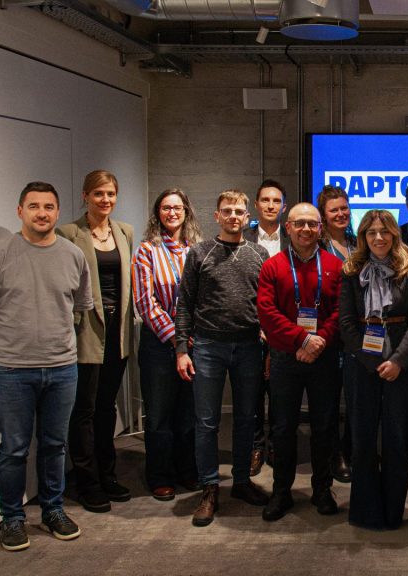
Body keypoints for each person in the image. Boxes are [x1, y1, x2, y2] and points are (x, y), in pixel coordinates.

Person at [0, 181, 93, 551]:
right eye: (34, 206)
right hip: (12, 372)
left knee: (54, 445)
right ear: (20, 211)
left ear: (57, 212)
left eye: (49, 207)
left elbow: (79, 306)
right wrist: (1, 346)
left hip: (62, 368)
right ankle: (12, 518)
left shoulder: (73, 255)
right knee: (14, 449)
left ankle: (53, 510)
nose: (42, 213)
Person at [175, 190, 270, 527]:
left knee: (246, 418)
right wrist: (181, 350)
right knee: (206, 422)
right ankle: (209, 488)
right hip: (208, 347)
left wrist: (267, 337)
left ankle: (241, 481)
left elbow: (266, 303)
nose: (233, 216)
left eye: (239, 211)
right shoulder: (200, 253)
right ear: (216, 216)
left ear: (247, 217)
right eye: (227, 211)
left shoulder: (259, 254)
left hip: (248, 347)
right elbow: (184, 303)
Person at [257, 203, 344, 521]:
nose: (306, 229)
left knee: (325, 426)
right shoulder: (273, 266)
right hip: (286, 357)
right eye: (299, 223)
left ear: (321, 228)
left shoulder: (335, 265)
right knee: (282, 428)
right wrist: (302, 340)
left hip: (324, 358)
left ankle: (322, 489)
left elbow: (341, 311)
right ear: (289, 227)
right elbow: (266, 312)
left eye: (312, 224)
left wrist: (318, 341)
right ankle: (281, 492)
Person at [339, 210, 408, 530]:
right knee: (362, 440)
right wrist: (371, 362)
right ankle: (366, 512)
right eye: (371, 232)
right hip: (362, 364)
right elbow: (346, 323)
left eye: (384, 231)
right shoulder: (351, 270)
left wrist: (398, 360)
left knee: (397, 439)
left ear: (393, 234)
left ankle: (392, 512)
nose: (378, 237)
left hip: (401, 364)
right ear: (363, 236)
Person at [57, 170, 135, 513]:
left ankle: (108, 475)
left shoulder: (124, 231)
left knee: (107, 406)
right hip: (87, 329)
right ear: (85, 196)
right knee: (84, 410)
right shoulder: (69, 233)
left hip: (118, 331)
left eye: (111, 194)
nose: (106, 200)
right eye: (99, 194)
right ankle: (87, 482)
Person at [132, 188, 203, 502]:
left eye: (177, 208)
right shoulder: (146, 251)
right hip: (160, 344)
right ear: (157, 213)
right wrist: (177, 340)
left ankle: (187, 470)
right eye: (165, 208)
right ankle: (160, 476)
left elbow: (205, 296)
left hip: (193, 340)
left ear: (186, 212)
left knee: (189, 413)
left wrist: (190, 337)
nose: (172, 213)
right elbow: (146, 303)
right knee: (160, 414)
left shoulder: (197, 250)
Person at [243, 179, 289, 478]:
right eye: (265, 200)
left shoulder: (293, 237)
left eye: (276, 201)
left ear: (283, 207)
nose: (271, 205)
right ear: (257, 205)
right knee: (253, 392)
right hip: (250, 327)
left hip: (285, 329)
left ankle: (277, 446)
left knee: (281, 393)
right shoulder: (243, 237)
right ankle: (256, 446)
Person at [317, 185, 357, 484]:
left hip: (357, 334)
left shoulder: (360, 243)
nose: (341, 214)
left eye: (344, 208)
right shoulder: (317, 247)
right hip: (330, 334)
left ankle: (352, 449)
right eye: (334, 210)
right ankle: (335, 455)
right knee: (329, 401)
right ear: (324, 215)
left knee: (357, 399)